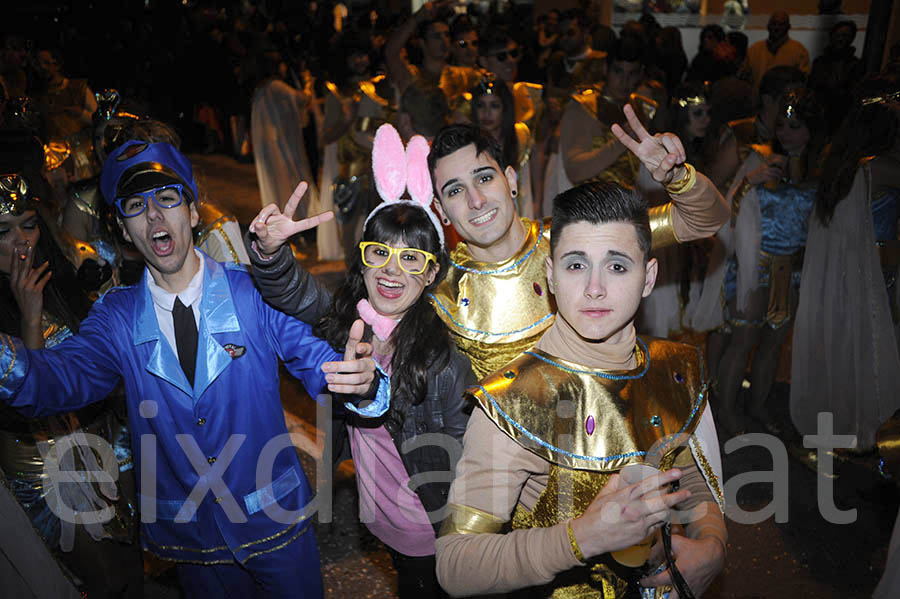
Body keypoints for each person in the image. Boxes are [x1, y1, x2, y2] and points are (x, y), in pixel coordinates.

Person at [0, 140, 385, 598]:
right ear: (124, 231)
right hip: (192, 539)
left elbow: (319, 363)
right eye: (136, 206)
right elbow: (60, 379)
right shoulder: (116, 317)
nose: (155, 217)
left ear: (194, 213)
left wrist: (361, 381)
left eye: (168, 199)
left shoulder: (250, 294)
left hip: (274, 522)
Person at [434, 180, 726, 598]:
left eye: (617, 266)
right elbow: (455, 564)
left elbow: (695, 486)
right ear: (550, 275)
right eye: (575, 265)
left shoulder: (675, 370)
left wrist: (712, 546)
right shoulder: (515, 402)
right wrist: (581, 538)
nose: (594, 288)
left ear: (649, 277)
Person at [249, 126, 476, 598]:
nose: (393, 269)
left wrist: (463, 534)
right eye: (380, 253)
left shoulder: (441, 356)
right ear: (363, 260)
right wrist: (270, 253)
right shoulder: (351, 318)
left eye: (412, 258)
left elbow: (462, 454)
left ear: (433, 272)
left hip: (427, 523)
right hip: (382, 515)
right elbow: (293, 291)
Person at [427, 110, 729, 379]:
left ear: (511, 180)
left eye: (484, 178)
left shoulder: (576, 238)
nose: (476, 200)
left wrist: (677, 177)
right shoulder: (439, 294)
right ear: (441, 211)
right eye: (455, 191)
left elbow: (706, 220)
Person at [0, 172, 143, 598]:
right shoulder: (25, 299)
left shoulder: (55, 278)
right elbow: (28, 399)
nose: (22, 239)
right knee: (105, 579)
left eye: (28, 223)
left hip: (100, 439)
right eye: (4, 231)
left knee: (134, 561)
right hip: (40, 462)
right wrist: (30, 318)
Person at [790, 77, 900, 451]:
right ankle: (867, 428)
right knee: (871, 350)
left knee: (841, 351)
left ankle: (839, 426)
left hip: (838, 275)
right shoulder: (881, 168)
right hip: (876, 271)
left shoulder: (839, 162)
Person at [714, 89, 826, 436]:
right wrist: (750, 181)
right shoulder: (757, 157)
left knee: (773, 344)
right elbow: (725, 213)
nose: (785, 133)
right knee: (743, 340)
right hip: (753, 267)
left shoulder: (821, 169)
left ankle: (758, 405)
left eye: (795, 126)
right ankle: (726, 411)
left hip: (791, 270)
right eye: (782, 125)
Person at [251, 47, 319, 217]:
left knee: (279, 182)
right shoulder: (276, 86)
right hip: (278, 143)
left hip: (270, 142)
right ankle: (293, 215)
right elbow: (301, 98)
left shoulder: (262, 88)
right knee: (286, 181)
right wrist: (309, 83)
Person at [470, 74, 537, 218]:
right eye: (481, 105)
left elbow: (526, 187)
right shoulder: (468, 145)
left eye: (494, 106)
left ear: (505, 109)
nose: (487, 113)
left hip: (519, 214)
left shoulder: (520, 137)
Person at [745, 12, 810, 96]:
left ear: (788, 27)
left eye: (781, 24)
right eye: (774, 24)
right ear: (768, 26)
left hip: (784, 103)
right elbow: (745, 78)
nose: (776, 27)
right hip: (757, 103)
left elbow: (803, 81)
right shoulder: (754, 49)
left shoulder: (799, 51)